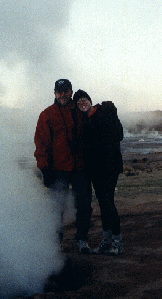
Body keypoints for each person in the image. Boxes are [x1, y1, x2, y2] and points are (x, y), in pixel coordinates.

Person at [34, 79, 93, 253]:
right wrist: (44, 169)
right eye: (59, 92)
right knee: (56, 207)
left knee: (83, 205)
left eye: (65, 91)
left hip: (80, 168)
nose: (62, 95)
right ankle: (55, 243)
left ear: (71, 92)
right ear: (54, 93)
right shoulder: (47, 115)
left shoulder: (80, 111)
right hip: (58, 169)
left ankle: (82, 240)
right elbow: (41, 144)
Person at [73, 89, 124, 256]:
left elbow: (119, 135)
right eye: (78, 102)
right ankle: (107, 240)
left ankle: (117, 242)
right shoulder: (84, 121)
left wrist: (113, 114)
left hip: (109, 168)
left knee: (108, 202)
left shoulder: (104, 112)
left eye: (83, 99)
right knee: (103, 203)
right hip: (95, 170)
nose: (82, 103)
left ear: (89, 99)